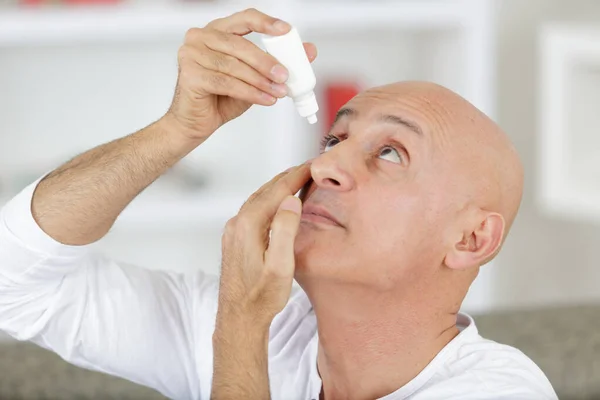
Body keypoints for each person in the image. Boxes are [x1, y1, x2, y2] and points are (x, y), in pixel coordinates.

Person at [0, 8, 557, 400]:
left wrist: (241, 329)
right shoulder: (262, 330)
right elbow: (16, 281)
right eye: (334, 141)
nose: (326, 167)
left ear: (470, 240)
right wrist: (177, 131)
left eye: (390, 152)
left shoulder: (498, 391)